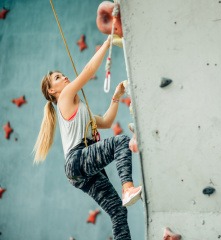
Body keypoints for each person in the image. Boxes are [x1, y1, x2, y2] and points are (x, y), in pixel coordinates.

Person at [33, 36, 142, 240]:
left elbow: (108, 122)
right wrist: (108, 42)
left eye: (62, 75)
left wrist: (116, 96)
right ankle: (127, 187)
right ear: (52, 91)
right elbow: (88, 72)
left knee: (118, 211)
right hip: (77, 160)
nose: (64, 77)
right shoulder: (63, 99)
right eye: (58, 78)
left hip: (78, 171)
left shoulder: (81, 111)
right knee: (120, 142)